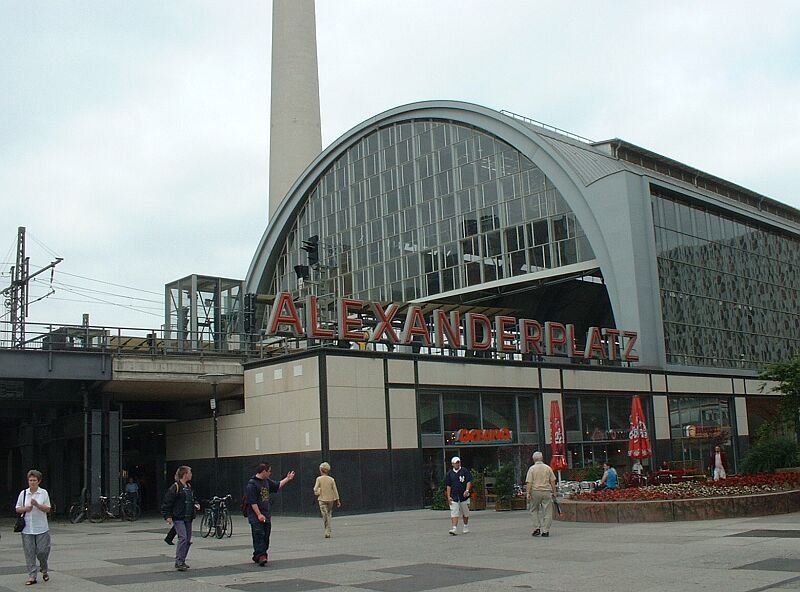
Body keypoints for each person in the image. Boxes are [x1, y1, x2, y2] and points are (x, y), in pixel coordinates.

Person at [246, 462, 296, 566]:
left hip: (266, 514)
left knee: (266, 536)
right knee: (259, 535)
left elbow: (277, 486)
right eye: (269, 471)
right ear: (263, 471)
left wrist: (288, 479)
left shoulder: (266, 481)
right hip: (256, 516)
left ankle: (257, 555)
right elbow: (252, 502)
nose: (270, 473)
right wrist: (259, 514)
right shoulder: (252, 484)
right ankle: (262, 556)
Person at [160, 466, 200, 572]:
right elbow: (167, 501)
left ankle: (182, 560)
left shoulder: (188, 486)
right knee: (183, 538)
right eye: (190, 473)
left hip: (188, 517)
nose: (191, 474)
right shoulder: (176, 487)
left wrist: (195, 504)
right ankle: (179, 562)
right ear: (185, 474)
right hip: (179, 517)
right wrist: (167, 516)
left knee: (187, 540)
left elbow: (192, 499)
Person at [16, 469, 52, 586]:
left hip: (41, 527)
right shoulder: (24, 493)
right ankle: (32, 575)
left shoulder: (43, 493)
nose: (32, 482)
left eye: (34, 480)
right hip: (27, 528)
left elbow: (47, 509)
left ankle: (44, 567)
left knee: (42, 551)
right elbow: (17, 508)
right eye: (30, 480)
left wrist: (37, 505)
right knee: (29, 552)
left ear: (39, 481)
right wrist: (26, 509)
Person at [525, 451, 557, 537]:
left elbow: (529, 482)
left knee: (534, 509)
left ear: (533, 459)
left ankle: (536, 528)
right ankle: (545, 530)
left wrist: (528, 493)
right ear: (542, 458)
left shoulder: (532, 469)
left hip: (535, 491)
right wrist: (554, 492)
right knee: (547, 511)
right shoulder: (548, 468)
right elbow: (552, 481)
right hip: (546, 491)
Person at [313, 462, 342, 538]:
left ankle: (327, 530)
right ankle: (328, 530)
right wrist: (338, 500)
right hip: (330, 499)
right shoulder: (331, 479)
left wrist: (318, 491)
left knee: (324, 515)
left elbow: (315, 489)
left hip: (322, 500)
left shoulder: (318, 479)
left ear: (321, 470)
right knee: (329, 514)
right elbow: (335, 490)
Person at [444, 456, 472, 535]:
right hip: (454, 496)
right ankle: (454, 528)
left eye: (458, 462)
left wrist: (467, 490)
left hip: (464, 496)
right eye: (455, 463)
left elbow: (468, 481)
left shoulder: (464, 471)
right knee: (454, 512)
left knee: (465, 512)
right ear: (452, 464)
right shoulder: (449, 474)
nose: (457, 464)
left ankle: (465, 526)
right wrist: (449, 496)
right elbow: (448, 486)